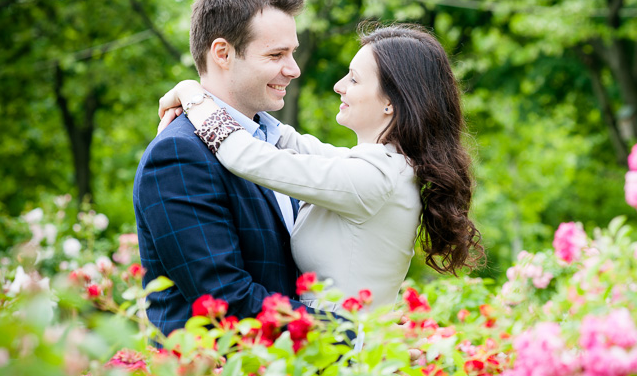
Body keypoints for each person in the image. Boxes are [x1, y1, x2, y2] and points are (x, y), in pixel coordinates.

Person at [157, 23, 484, 311]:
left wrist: (192, 94)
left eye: (354, 80)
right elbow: (285, 139)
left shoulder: (374, 178)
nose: (339, 85)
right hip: (340, 353)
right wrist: (232, 98)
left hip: (344, 362)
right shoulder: (381, 166)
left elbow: (246, 156)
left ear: (391, 102)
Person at [134, 0, 317, 336]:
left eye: (292, 53)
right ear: (223, 53)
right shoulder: (178, 154)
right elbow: (227, 300)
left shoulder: (273, 141)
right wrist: (352, 332)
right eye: (276, 54)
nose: (293, 69)